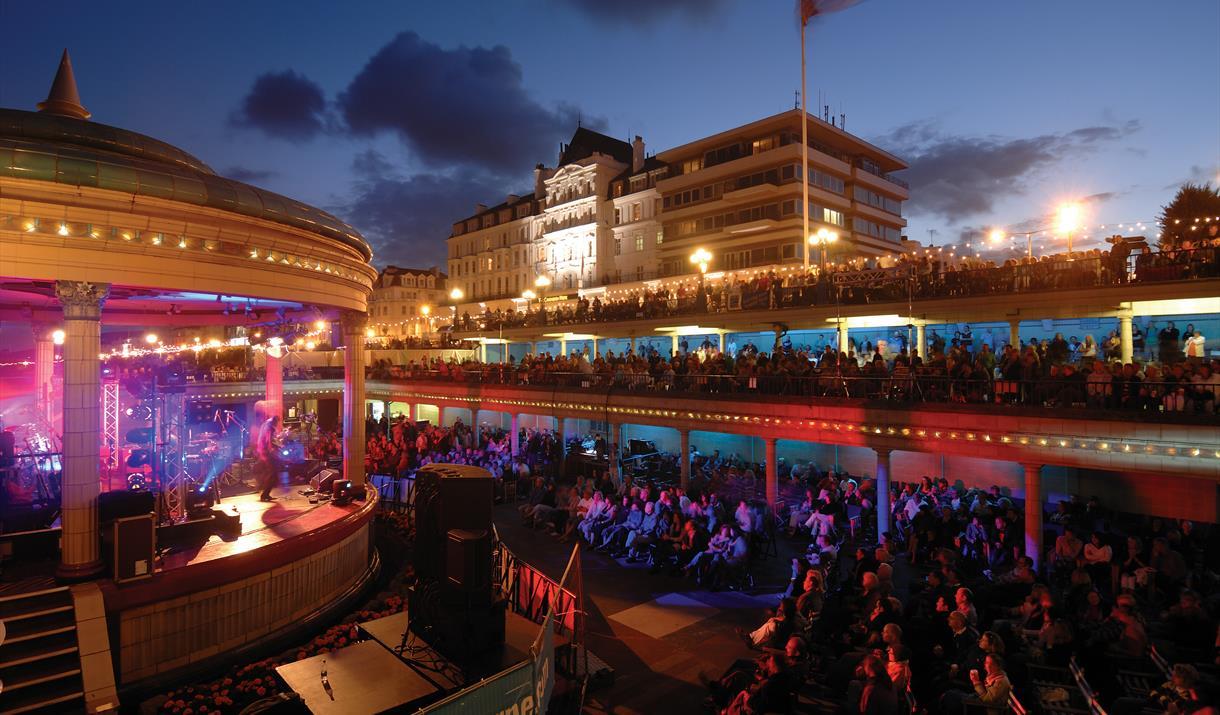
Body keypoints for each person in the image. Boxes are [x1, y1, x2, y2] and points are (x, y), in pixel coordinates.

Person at [256, 414, 282, 501]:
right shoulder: (270, 427)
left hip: (264, 452)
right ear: (275, 421)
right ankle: (264, 494)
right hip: (268, 453)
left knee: (271, 472)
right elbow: (269, 441)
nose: (278, 424)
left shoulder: (267, 425)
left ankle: (265, 493)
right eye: (277, 422)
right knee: (273, 473)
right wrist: (277, 447)